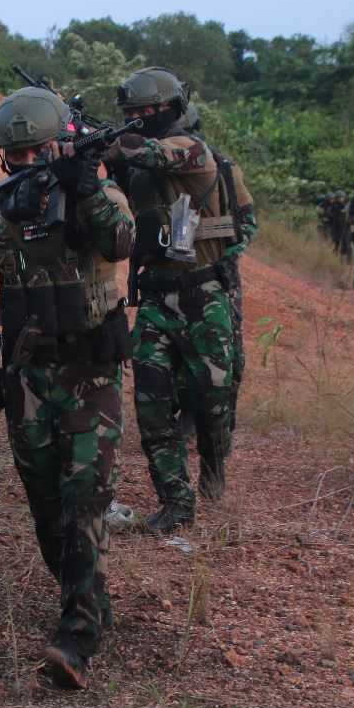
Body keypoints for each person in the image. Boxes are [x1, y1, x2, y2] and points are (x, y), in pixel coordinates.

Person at [0, 87, 134, 690]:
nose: (28, 163)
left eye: (38, 152)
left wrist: (83, 188)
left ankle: (76, 636)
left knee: (85, 494)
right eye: (17, 156)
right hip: (29, 376)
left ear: (59, 142)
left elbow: (123, 243)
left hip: (91, 370)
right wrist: (11, 215)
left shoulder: (97, 193)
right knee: (45, 505)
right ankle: (86, 598)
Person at [109, 66, 256, 532]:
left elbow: (153, 151)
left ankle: (215, 462)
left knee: (213, 401)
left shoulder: (194, 151)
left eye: (146, 112)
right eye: (131, 113)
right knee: (151, 406)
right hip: (155, 297)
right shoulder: (136, 166)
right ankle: (176, 501)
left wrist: (193, 236)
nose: (138, 119)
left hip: (204, 295)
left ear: (170, 109)